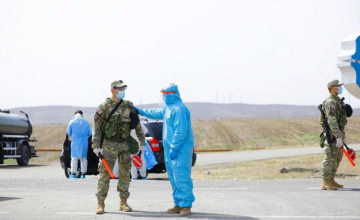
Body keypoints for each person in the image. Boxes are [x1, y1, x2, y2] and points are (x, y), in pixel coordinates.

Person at [134, 83, 195, 217]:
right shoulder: (168, 108)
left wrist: (174, 147)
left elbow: (181, 131)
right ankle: (178, 203)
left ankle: (186, 205)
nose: (163, 96)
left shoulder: (179, 109)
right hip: (170, 149)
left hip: (180, 150)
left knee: (181, 176)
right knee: (173, 177)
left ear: (172, 94)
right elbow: (154, 112)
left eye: (165, 94)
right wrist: (139, 110)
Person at [92, 80, 145, 214]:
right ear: (113, 90)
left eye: (124, 88)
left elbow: (137, 125)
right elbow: (96, 127)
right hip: (108, 144)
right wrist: (96, 145)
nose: (122, 90)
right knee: (104, 174)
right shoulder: (103, 106)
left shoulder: (128, 106)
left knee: (125, 173)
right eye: (120, 88)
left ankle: (123, 202)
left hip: (124, 144)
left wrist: (142, 143)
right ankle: (100, 203)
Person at [320, 79, 347, 190]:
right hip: (332, 135)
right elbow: (331, 120)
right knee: (330, 157)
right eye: (338, 86)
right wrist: (337, 136)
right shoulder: (330, 102)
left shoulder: (337, 101)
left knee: (338, 156)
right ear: (332, 88)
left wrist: (343, 136)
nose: (340, 87)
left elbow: (340, 120)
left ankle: (331, 179)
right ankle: (325, 182)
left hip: (337, 133)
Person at [66, 110, 92, 179]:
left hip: (75, 142)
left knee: (74, 158)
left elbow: (68, 133)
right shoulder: (86, 122)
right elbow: (90, 133)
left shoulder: (71, 122)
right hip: (84, 142)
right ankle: (83, 174)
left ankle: (73, 173)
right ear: (82, 114)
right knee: (83, 158)